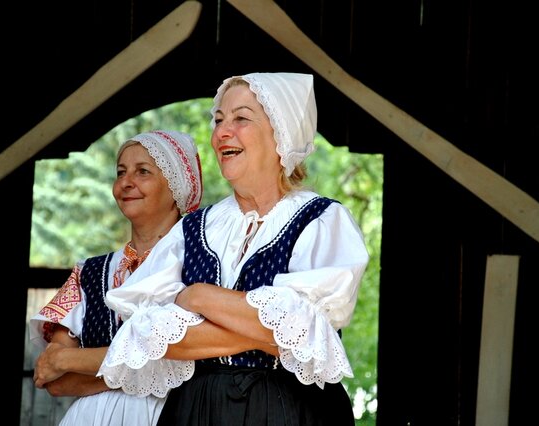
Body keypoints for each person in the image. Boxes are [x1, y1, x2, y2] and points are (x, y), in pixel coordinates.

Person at [99, 72, 369, 425]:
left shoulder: (322, 220)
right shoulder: (194, 229)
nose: (222, 132)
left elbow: (305, 331)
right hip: (196, 410)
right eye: (219, 120)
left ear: (282, 133)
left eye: (241, 118)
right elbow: (152, 338)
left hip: (290, 409)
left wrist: (196, 297)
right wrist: (271, 334)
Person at [29, 129, 203, 426]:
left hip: (173, 415)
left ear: (176, 186)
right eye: (121, 172)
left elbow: (198, 362)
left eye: (142, 171)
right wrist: (148, 373)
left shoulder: (200, 265)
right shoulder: (89, 273)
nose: (126, 182)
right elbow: (53, 377)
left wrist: (77, 362)